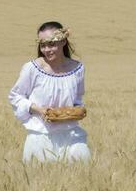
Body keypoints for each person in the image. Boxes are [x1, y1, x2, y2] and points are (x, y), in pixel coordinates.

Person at [8, 21, 91, 163]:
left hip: (71, 135)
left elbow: (77, 99)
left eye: (51, 44)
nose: (47, 49)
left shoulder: (77, 68)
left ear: (63, 41)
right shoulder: (32, 68)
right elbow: (15, 96)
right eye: (43, 45)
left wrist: (77, 110)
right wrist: (40, 110)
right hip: (41, 136)